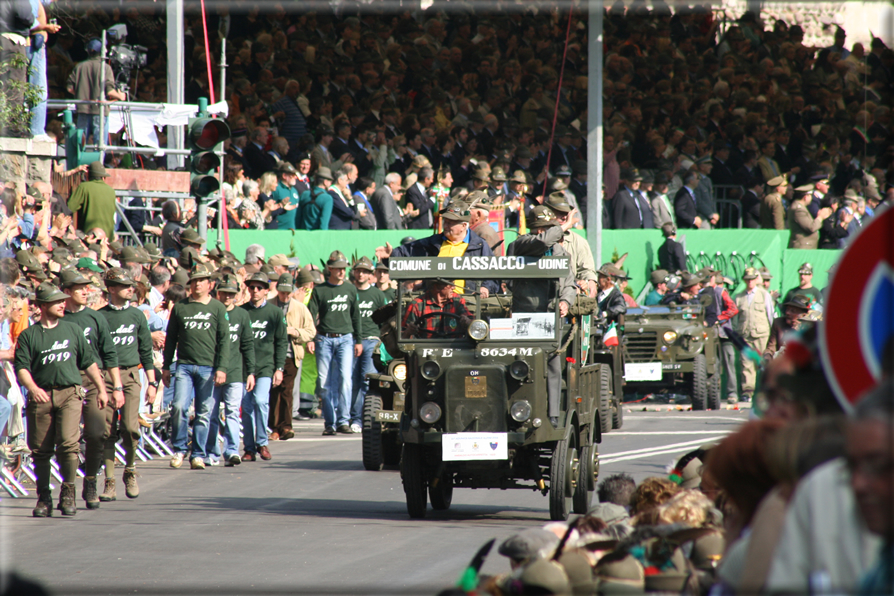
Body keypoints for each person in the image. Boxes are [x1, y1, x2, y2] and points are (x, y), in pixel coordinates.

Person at [14, 282, 108, 517]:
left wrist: (102, 388)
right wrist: (33, 388)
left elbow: (88, 362)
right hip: (42, 395)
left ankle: (68, 491)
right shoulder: (29, 335)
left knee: (68, 443)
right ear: (43, 305)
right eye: (56, 302)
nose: (62, 304)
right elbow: (22, 368)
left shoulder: (72, 330)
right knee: (41, 449)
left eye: (62, 301)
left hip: (69, 393)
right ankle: (43, 497)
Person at [506, 205, 577, 427]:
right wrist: (563, 226)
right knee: (521, 365)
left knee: (553, 366)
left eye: (546, 227)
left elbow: (570, 284)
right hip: (524, 317)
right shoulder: (520, 244)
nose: (542, 232)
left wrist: (566, 301)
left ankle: (553, 414)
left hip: (550, 317)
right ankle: (518, 410)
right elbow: (540, 243)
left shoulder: (561, 253)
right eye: (539, 227)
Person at [59, 269, 124, 510]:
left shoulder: (96, 318)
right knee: (67, 440)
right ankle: (68, 487)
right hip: (67, 383)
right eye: (80, 288)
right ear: (66, 292)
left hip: (96, 382)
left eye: (87, 287)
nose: (86, 291)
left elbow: (109, 354)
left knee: (97, 434)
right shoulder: (59, 318)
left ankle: (90, 480)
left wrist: (116, 387)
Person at [162, 263, 230, 470]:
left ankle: (198, 454)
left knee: (203, 412)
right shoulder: (181, 307)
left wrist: (222, 367)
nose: (197, 284)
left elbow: (224, 340)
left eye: (201, 280)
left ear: (209, 284)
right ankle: (180, 449)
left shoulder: (217, 307)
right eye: (194, 281)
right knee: (179, 406)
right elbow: (171, 338)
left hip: (208, 368)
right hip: (183, 366)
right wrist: (166, 366)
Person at [96, 267, 156, 500]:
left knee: (130, 428)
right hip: (107, 378)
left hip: (131, 376)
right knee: (107, 432)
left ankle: (130, 470)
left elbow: (145, 350)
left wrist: (152, 382)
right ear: (111, 289)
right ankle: (109, 481)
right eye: (124, 286)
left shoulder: (137, 315)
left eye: (131, 285)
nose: (130, 289)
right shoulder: (100, 316)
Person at [377, 201, 499, 298]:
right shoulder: (432, 243)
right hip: (436, 304)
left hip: (468, 305)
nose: (445, 226)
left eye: (451, 223)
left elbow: (494, 274)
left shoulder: (479, 246)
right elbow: (406, 252)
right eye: (445, 221)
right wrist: (391, 255)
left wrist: (485, 288)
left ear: (463, 226)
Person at [308, 251, 362, 436]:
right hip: (323, 338)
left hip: (346, 339)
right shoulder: (319, 290)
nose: (342, 271)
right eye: (338, 268)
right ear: (330, 269)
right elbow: (310, 316)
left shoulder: (350, 289)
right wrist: (310, 338)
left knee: (346, 380)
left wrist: (359, 340)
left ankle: (343, 421)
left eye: (344, 268)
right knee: (324, 383)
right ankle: (330, 423)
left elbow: (356, 316)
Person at [206, 273, 254, 467]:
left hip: (235, 372)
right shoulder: (210, 311)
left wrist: (250, 372)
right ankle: (212, 451)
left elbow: (248, 345)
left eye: (231, 293)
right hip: (211, 371)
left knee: (233, 412)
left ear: (237, 294)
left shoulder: (242, 315)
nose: (227, 296)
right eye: (224, 292)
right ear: (218, 292)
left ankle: (232, 451)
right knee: (211, 412)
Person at [240, 272, 288, 461]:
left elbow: (282, 342)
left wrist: (279, 368)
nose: (255, 291)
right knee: (246, 406)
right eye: (252, 287)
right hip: (244, 367)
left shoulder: (275, 313)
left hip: (266, 366)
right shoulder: (242, 312)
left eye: (259, 287)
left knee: (260, 401)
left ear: (267, 291)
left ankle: (262, 443)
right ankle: (249, 449)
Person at [266, 272, 312, 440]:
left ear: (292, 291)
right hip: (270, 355)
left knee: (287, 391)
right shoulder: (269, 305)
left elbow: (311, 331)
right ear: (277, 290)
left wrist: (295, 332)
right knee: (273, 391)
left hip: (290, 354)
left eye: (288, 292)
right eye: (282, 292)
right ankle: (274, 428)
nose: (285, 296)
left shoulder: (299, 308)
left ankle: (286, 426)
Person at [350, 257, 387, 433]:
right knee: (350, 382)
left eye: (365, 271)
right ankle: (351, 417)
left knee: (367, 381)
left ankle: (362, 418)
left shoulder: (378, 294)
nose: (361, 273)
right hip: (350, 340)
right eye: (358, 270)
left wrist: (382, 341)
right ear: (354, 272)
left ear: (370, 275)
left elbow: (385, 321)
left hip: (372, 340)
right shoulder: (349, 291)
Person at [65, 38, 125, 146]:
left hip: (83, 109)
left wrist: (81, 94)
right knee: (100, 145)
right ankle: (98, 163)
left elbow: (70, 88)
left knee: (80, 144)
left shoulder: (79, 66)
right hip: (100, 111)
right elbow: (110, 91)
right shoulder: (105, 68)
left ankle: (79, 163)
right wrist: (121, 96)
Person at [733, 267, 775, 404]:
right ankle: (748, 391)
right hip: (745, 335)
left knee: (763, 362)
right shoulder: (739, 297)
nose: (749, 282)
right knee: (746, 364)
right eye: (747, 280)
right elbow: (734, 318)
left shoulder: (764, 295)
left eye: (752, 279)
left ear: (756, 279)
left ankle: (765, 391)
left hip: (762, 334)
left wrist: (772, 332)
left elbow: (770, 314)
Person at [545, 192, 597, 297]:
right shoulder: (538, 238)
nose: (564, 218)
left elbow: (587, 270)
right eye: (559, 213)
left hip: (570, 294)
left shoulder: (579, 241)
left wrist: (588, 282)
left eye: (566, 214)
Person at [402, 279, 474, 339]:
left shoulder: (457, 301)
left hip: (454, 347)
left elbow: (472, 322)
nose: (454, 287)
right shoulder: (416, 305)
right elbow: (403, 336)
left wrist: (468, 322)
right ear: (437, 287)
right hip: (426, 348)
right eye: (450, 284)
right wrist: (409, 331)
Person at [67, 161, 118, 238]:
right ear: (103, 178)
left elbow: (70, 207)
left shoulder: (84, 187)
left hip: (90, 236)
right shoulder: (111, 191)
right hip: (108, 237)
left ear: (88, 176)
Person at [763, 295, 810, 360]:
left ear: (803, 315)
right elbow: (771, 347)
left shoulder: (809, 329)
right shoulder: (778, 323)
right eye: (787, 309)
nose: (787, 312)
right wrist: (767, 356)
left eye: (793, 311)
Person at [270, 162, 301, 230]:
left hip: (292, 229)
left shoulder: (294, 190)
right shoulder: (276, 188)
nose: (295, 177)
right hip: (279, 229)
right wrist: (281, 205)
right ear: (284, 176)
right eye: (292, 175)